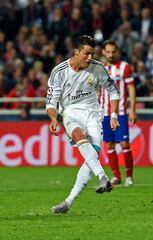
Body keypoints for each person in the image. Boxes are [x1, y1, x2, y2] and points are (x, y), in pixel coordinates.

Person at [46, 35, 120, 213]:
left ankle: (68, 202)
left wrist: (114, 115)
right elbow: (51, 103)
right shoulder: (59, 72)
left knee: (90, 157)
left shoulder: (98, 68)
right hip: (71, 113)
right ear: (76, 52)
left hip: (94, 115)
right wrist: (54, 118)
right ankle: (103, 177)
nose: (90, 58)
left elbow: (114, 91)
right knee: (79, 136)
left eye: (92, 54)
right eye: (87, 54)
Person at [100, 40, 137, 187]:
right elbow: (97, 90)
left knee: (124, 143)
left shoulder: (124, 67)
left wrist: (133, 109)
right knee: (109, 144)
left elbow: (132, 89)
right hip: (104, 112)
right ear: (103, 52)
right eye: (108, 52)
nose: (111, 54)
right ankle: (116, 176)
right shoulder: (100, 68)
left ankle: (129, 176)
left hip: (120, 112)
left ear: (117, 52)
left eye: (113, 51)